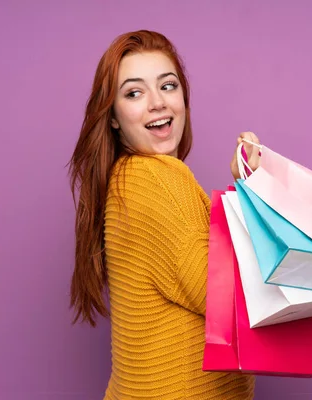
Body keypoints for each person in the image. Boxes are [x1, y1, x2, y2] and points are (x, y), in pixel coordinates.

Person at [67, 30, 261, 399]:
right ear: (112, 117)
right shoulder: (158, 181)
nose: (157, 103)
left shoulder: (126, 178)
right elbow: (231, 298)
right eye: (134, 93)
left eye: (167, 86)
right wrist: (259, 195)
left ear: (183, 98)